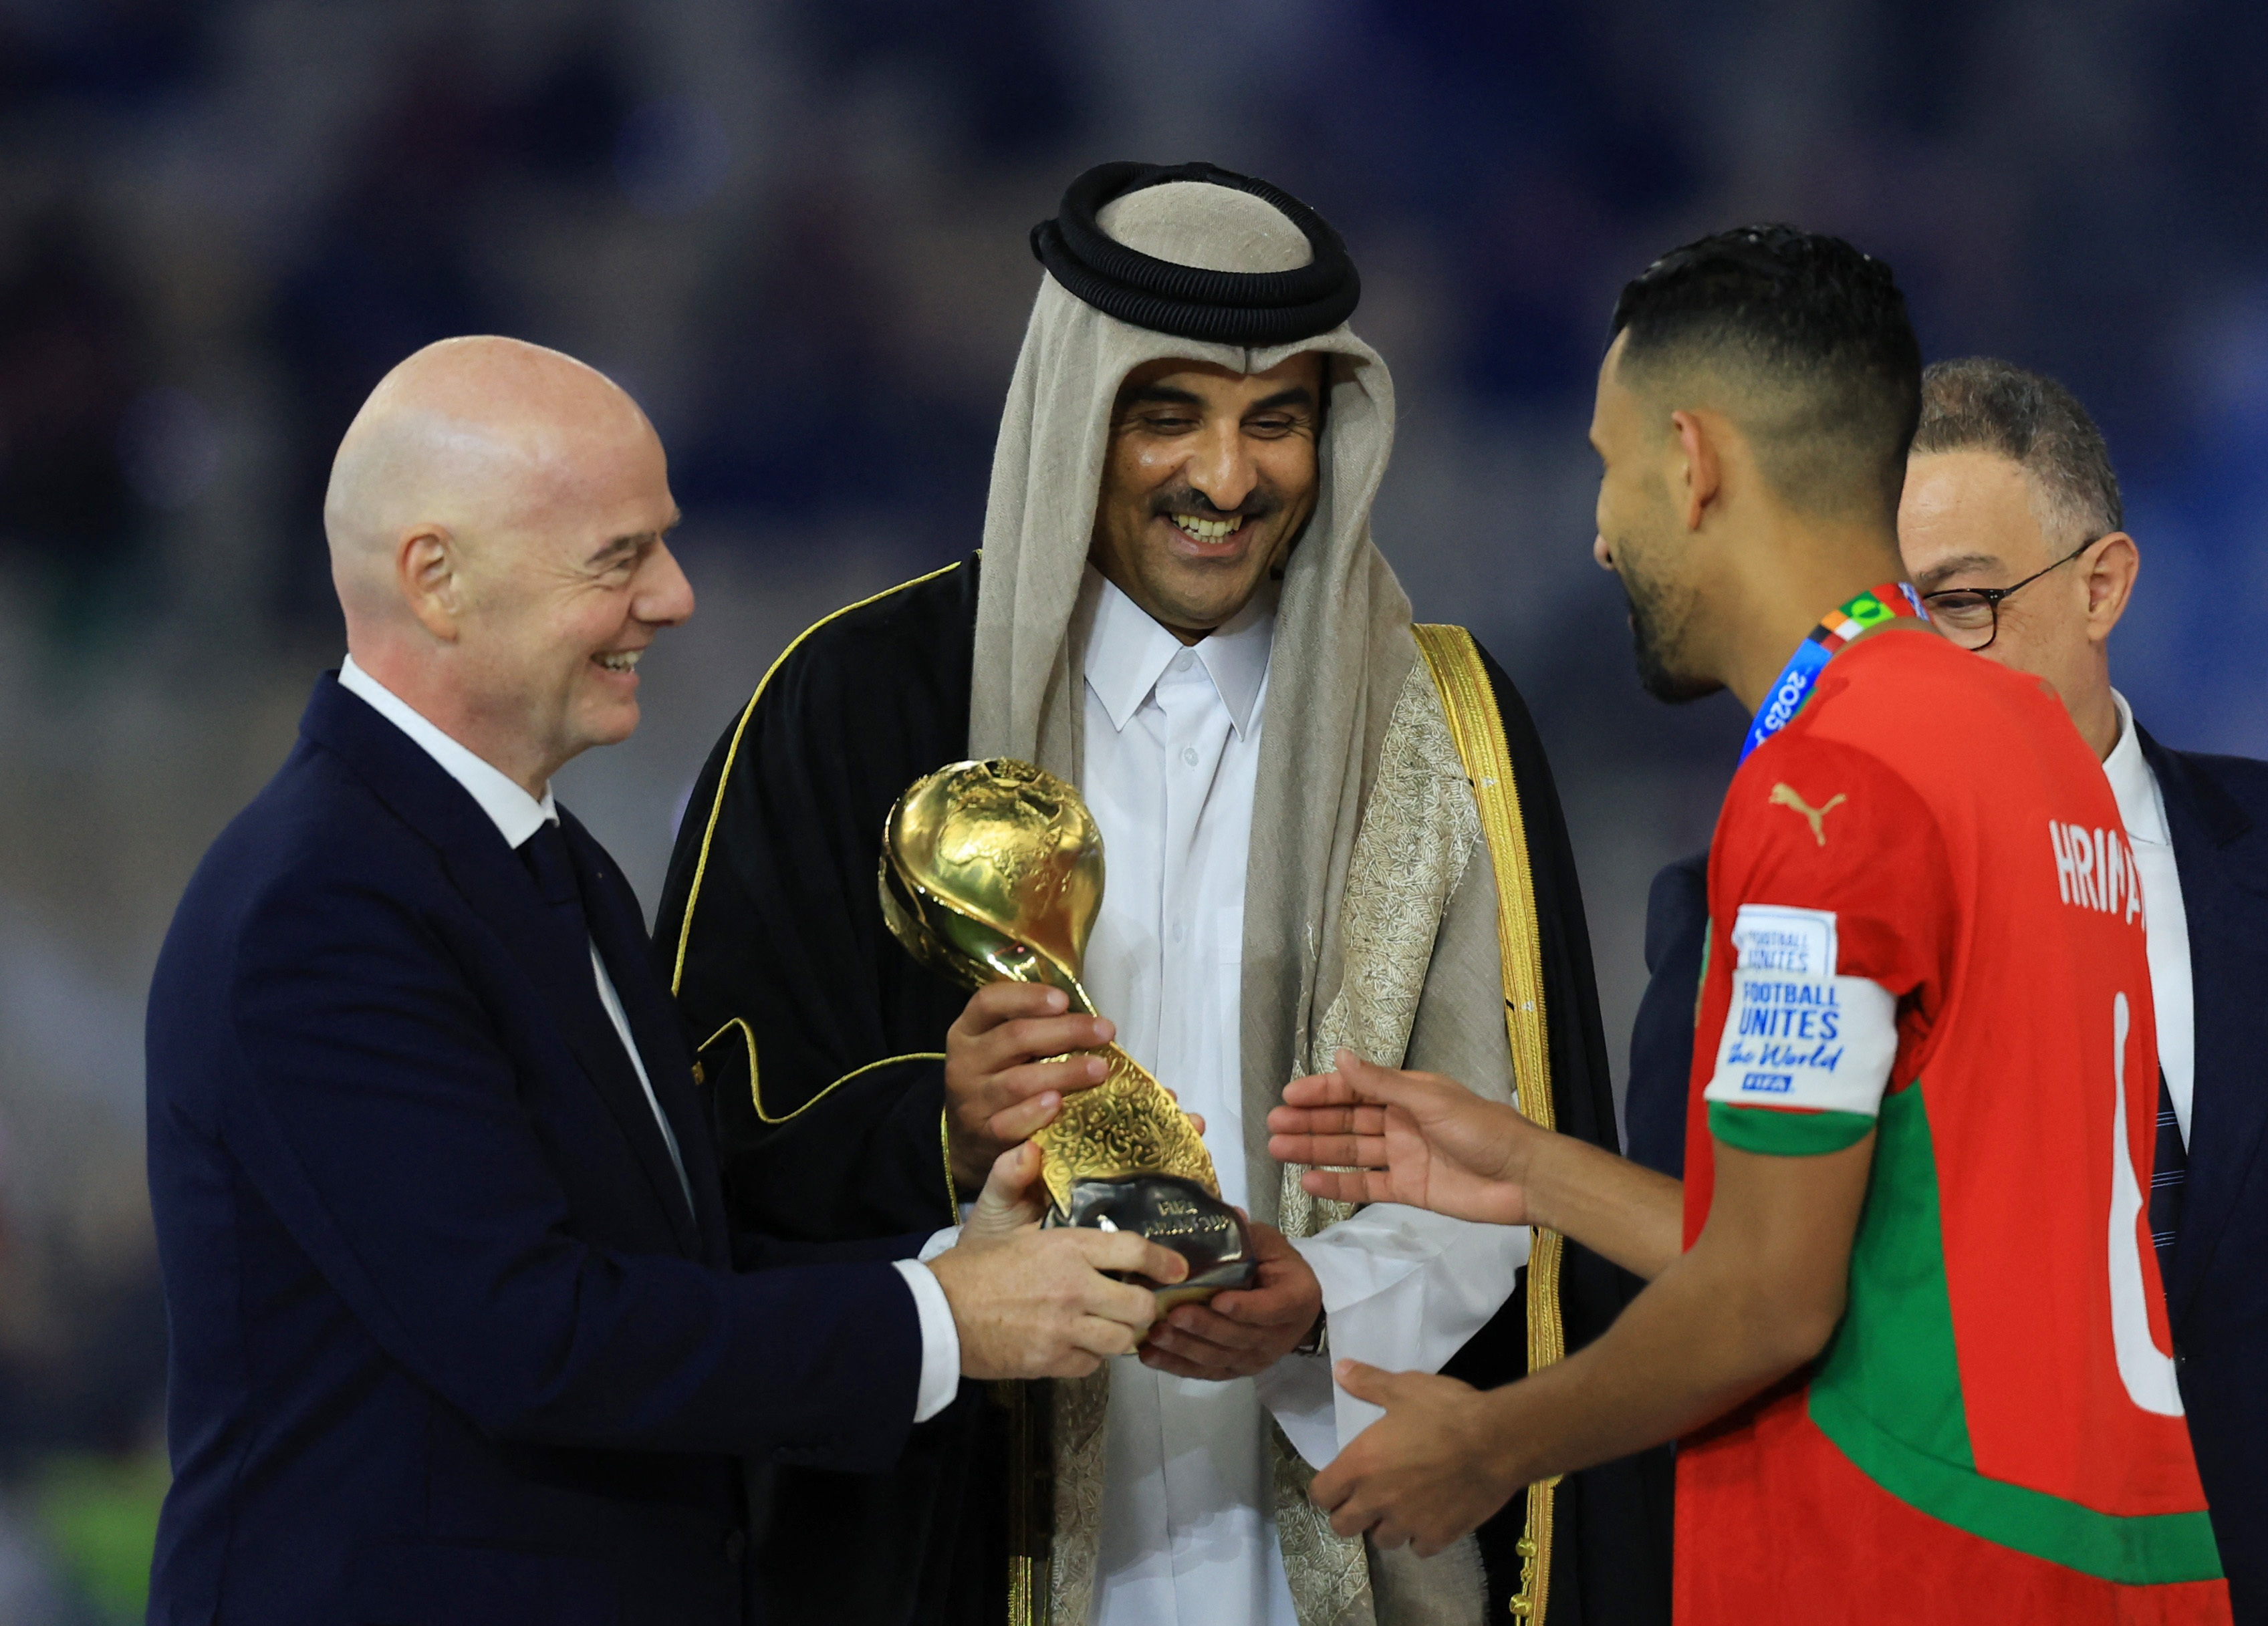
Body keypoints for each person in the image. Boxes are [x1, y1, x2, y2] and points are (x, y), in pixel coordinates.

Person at [654, 162, 1666, 1626]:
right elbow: (709, 1133)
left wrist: (1318, 1297)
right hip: (956, 1536)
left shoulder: (1440, 728)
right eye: (1166, 415)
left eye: (1276, 422)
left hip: (1337, 1541)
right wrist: (935, 1127)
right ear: (1079, 414)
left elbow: (1527, 1169)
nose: (1224, 477)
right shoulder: (860, 702)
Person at [1267, 227, 2231, 1621]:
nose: (1598, 530)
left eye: (1608, 466)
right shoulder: (2022, 741)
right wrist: (1537, 1168)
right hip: (2114, 1559)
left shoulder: (1833, 782)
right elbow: (1884, 1247)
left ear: (1693, 458)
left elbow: (1773, 1300)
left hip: (1905, 1566)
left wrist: (1489, 1442)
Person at [143, 335, 1184, 1626]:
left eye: (664, 544)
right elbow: (533, 1338)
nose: (676, 597)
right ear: (436, 579)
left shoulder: (542, 859)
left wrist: (953, 1244)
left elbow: (663, 1261)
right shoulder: (321, 909)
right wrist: (939, 1319)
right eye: (619, 557)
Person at [1897, 357, 2268, 1623]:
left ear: (2101, 584)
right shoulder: (1799, 919)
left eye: (1966, 602)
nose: (1925, 658)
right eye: (1892, 614)